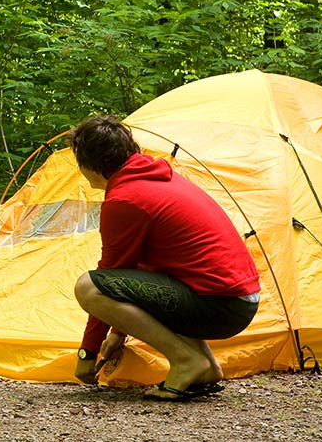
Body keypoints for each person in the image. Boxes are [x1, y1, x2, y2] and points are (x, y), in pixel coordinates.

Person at [69, 115, 261, 401]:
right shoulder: (157, 177)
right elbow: (135, 276)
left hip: (220, 304)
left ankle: (185, 360)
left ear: (90, 164)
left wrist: (89, 350)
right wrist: (118, 334)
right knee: (140, 282)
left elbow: (111, 273)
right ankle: (205, 367)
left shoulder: (125, 199)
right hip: (237, 300)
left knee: (88, 286)